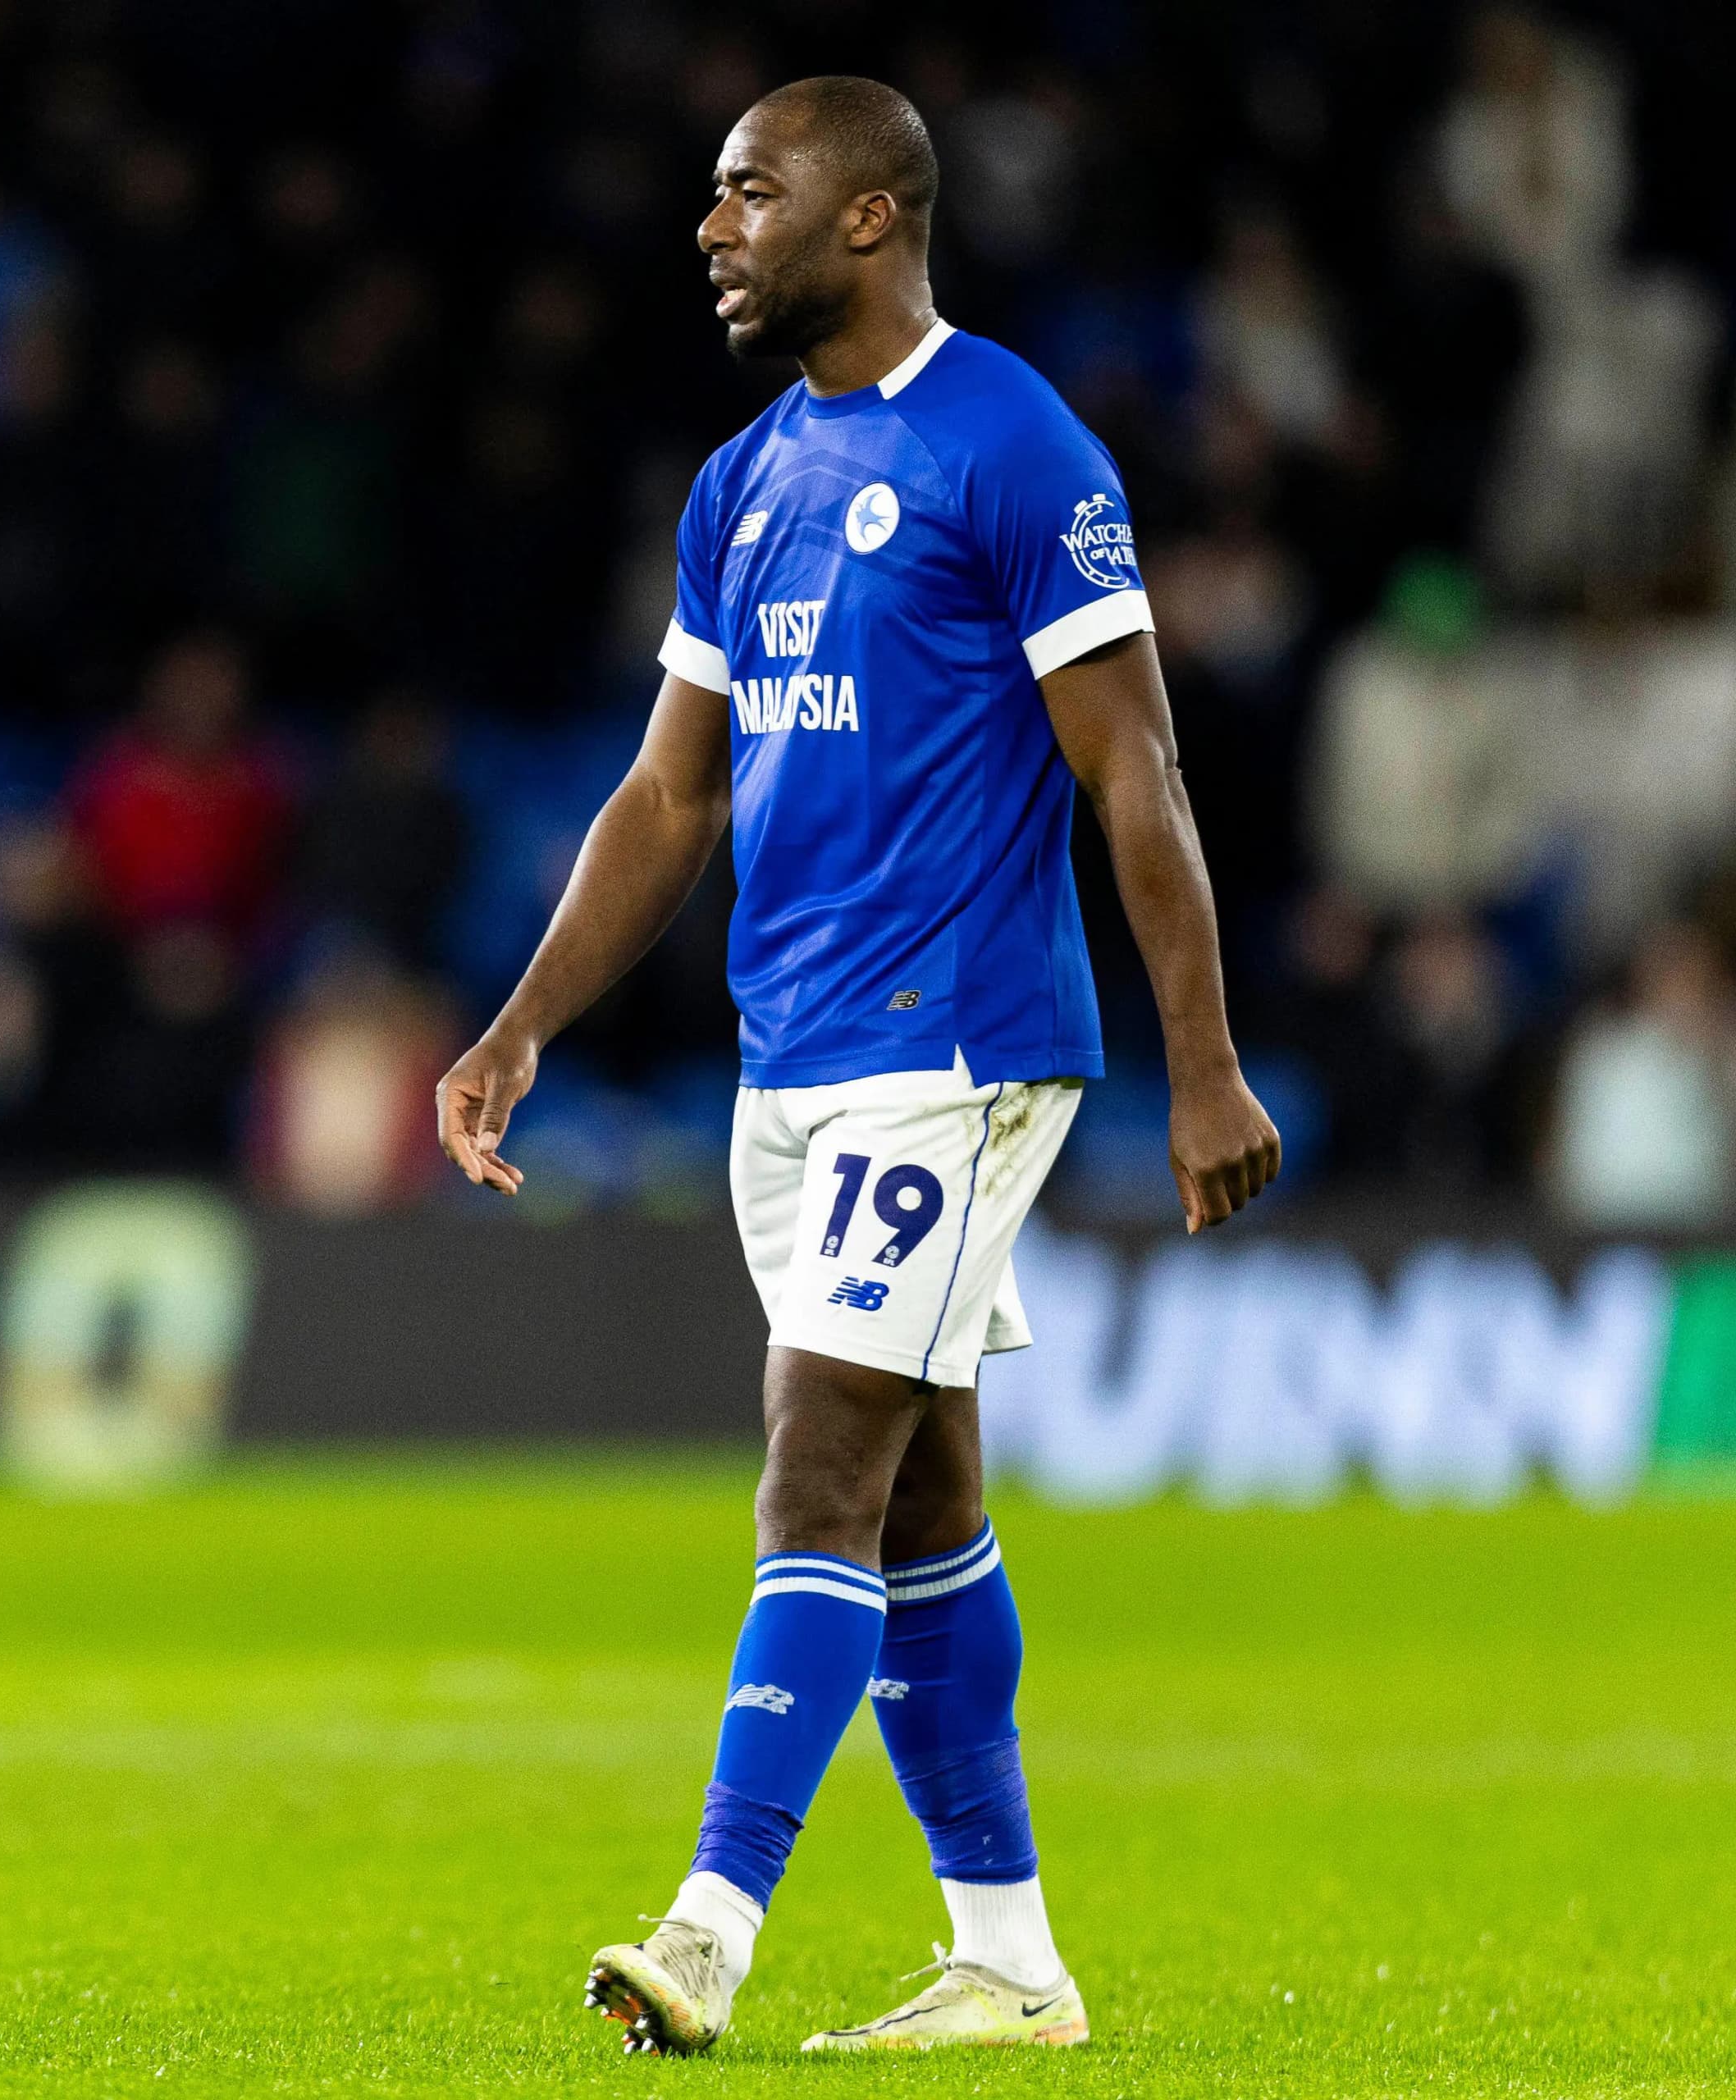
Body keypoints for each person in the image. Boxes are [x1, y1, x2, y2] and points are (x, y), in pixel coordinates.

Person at [432, 78, 1278, 2057]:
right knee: (915, 1509)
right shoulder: (739, 485)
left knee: (812, 1471)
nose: (711, 226)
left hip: (955, 1041)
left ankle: (706, 1926)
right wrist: (517, 1023)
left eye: (751, 191)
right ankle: (1009, 1957)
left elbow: (1129, 766)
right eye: (710, 195)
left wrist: (1204, 1060)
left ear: (872, 217)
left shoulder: (1012, 444)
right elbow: (666, 791)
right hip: (786, 1057)